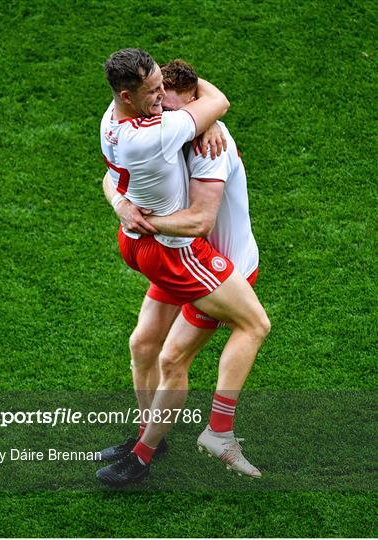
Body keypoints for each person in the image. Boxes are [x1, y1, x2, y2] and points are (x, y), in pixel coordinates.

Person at [98, 50, 270, 487]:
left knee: (175, 357)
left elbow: (199, 222)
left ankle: (159, 450)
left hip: (216, 263)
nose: (160, 105)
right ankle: (149, 431)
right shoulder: (155, 127)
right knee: (142, 345)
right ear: (128, 97)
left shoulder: (207, 145)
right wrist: (122, 204)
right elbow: (114, 176)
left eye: (168, 100)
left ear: (193, 103)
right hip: (181, 254)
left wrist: (141, 224)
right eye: (154, 97)